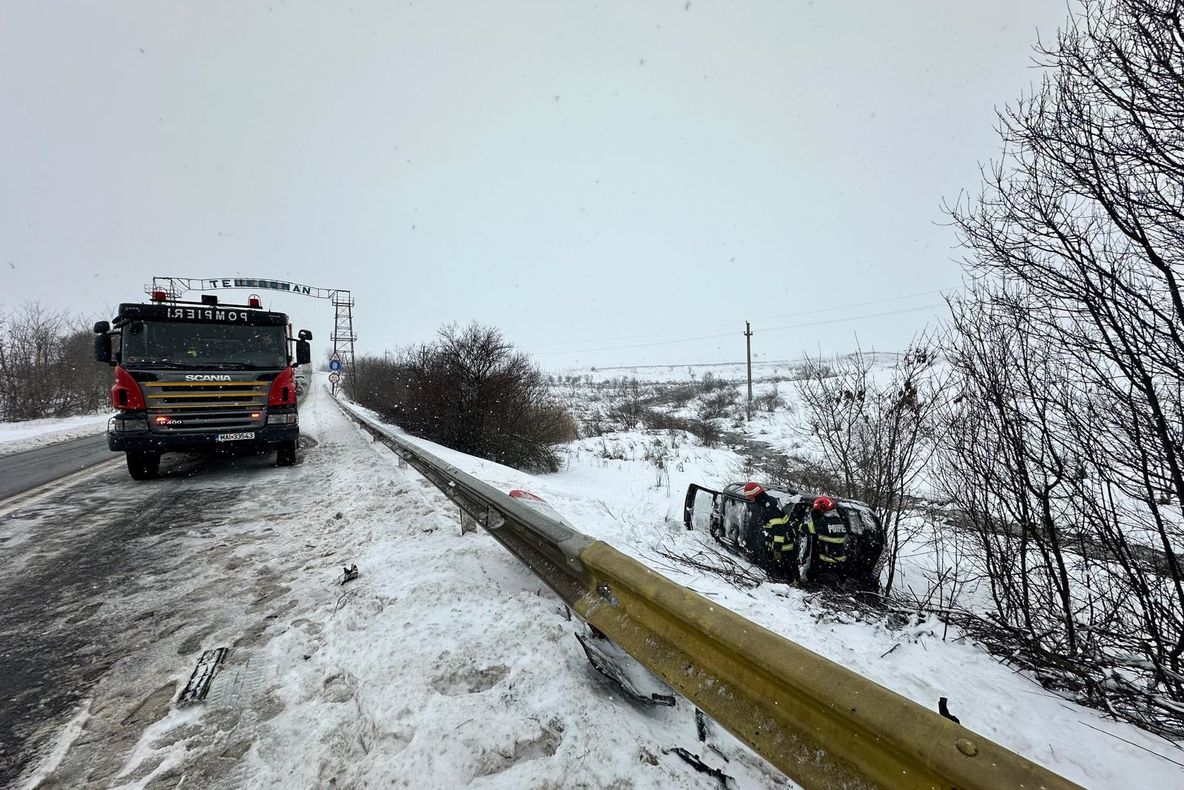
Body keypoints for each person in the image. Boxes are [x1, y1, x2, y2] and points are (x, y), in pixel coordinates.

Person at [742, 482, 795, 578]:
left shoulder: (769, 507)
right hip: (779, 541)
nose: (747, 499)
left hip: (783, 544)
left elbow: (779, 528)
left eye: (748, 496)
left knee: (781, 570)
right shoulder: (767, 502)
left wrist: (777, 548)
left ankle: (782, 584)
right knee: (780, 567)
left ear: (755, 494)